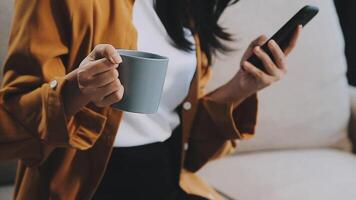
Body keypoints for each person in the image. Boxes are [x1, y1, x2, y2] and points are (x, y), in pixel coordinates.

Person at [0, 0, 300, 199]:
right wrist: (76, 89)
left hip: (167, 177)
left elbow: (191, 150)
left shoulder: (187, 8)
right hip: (83, 187)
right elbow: (8, 125)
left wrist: (241, 87)